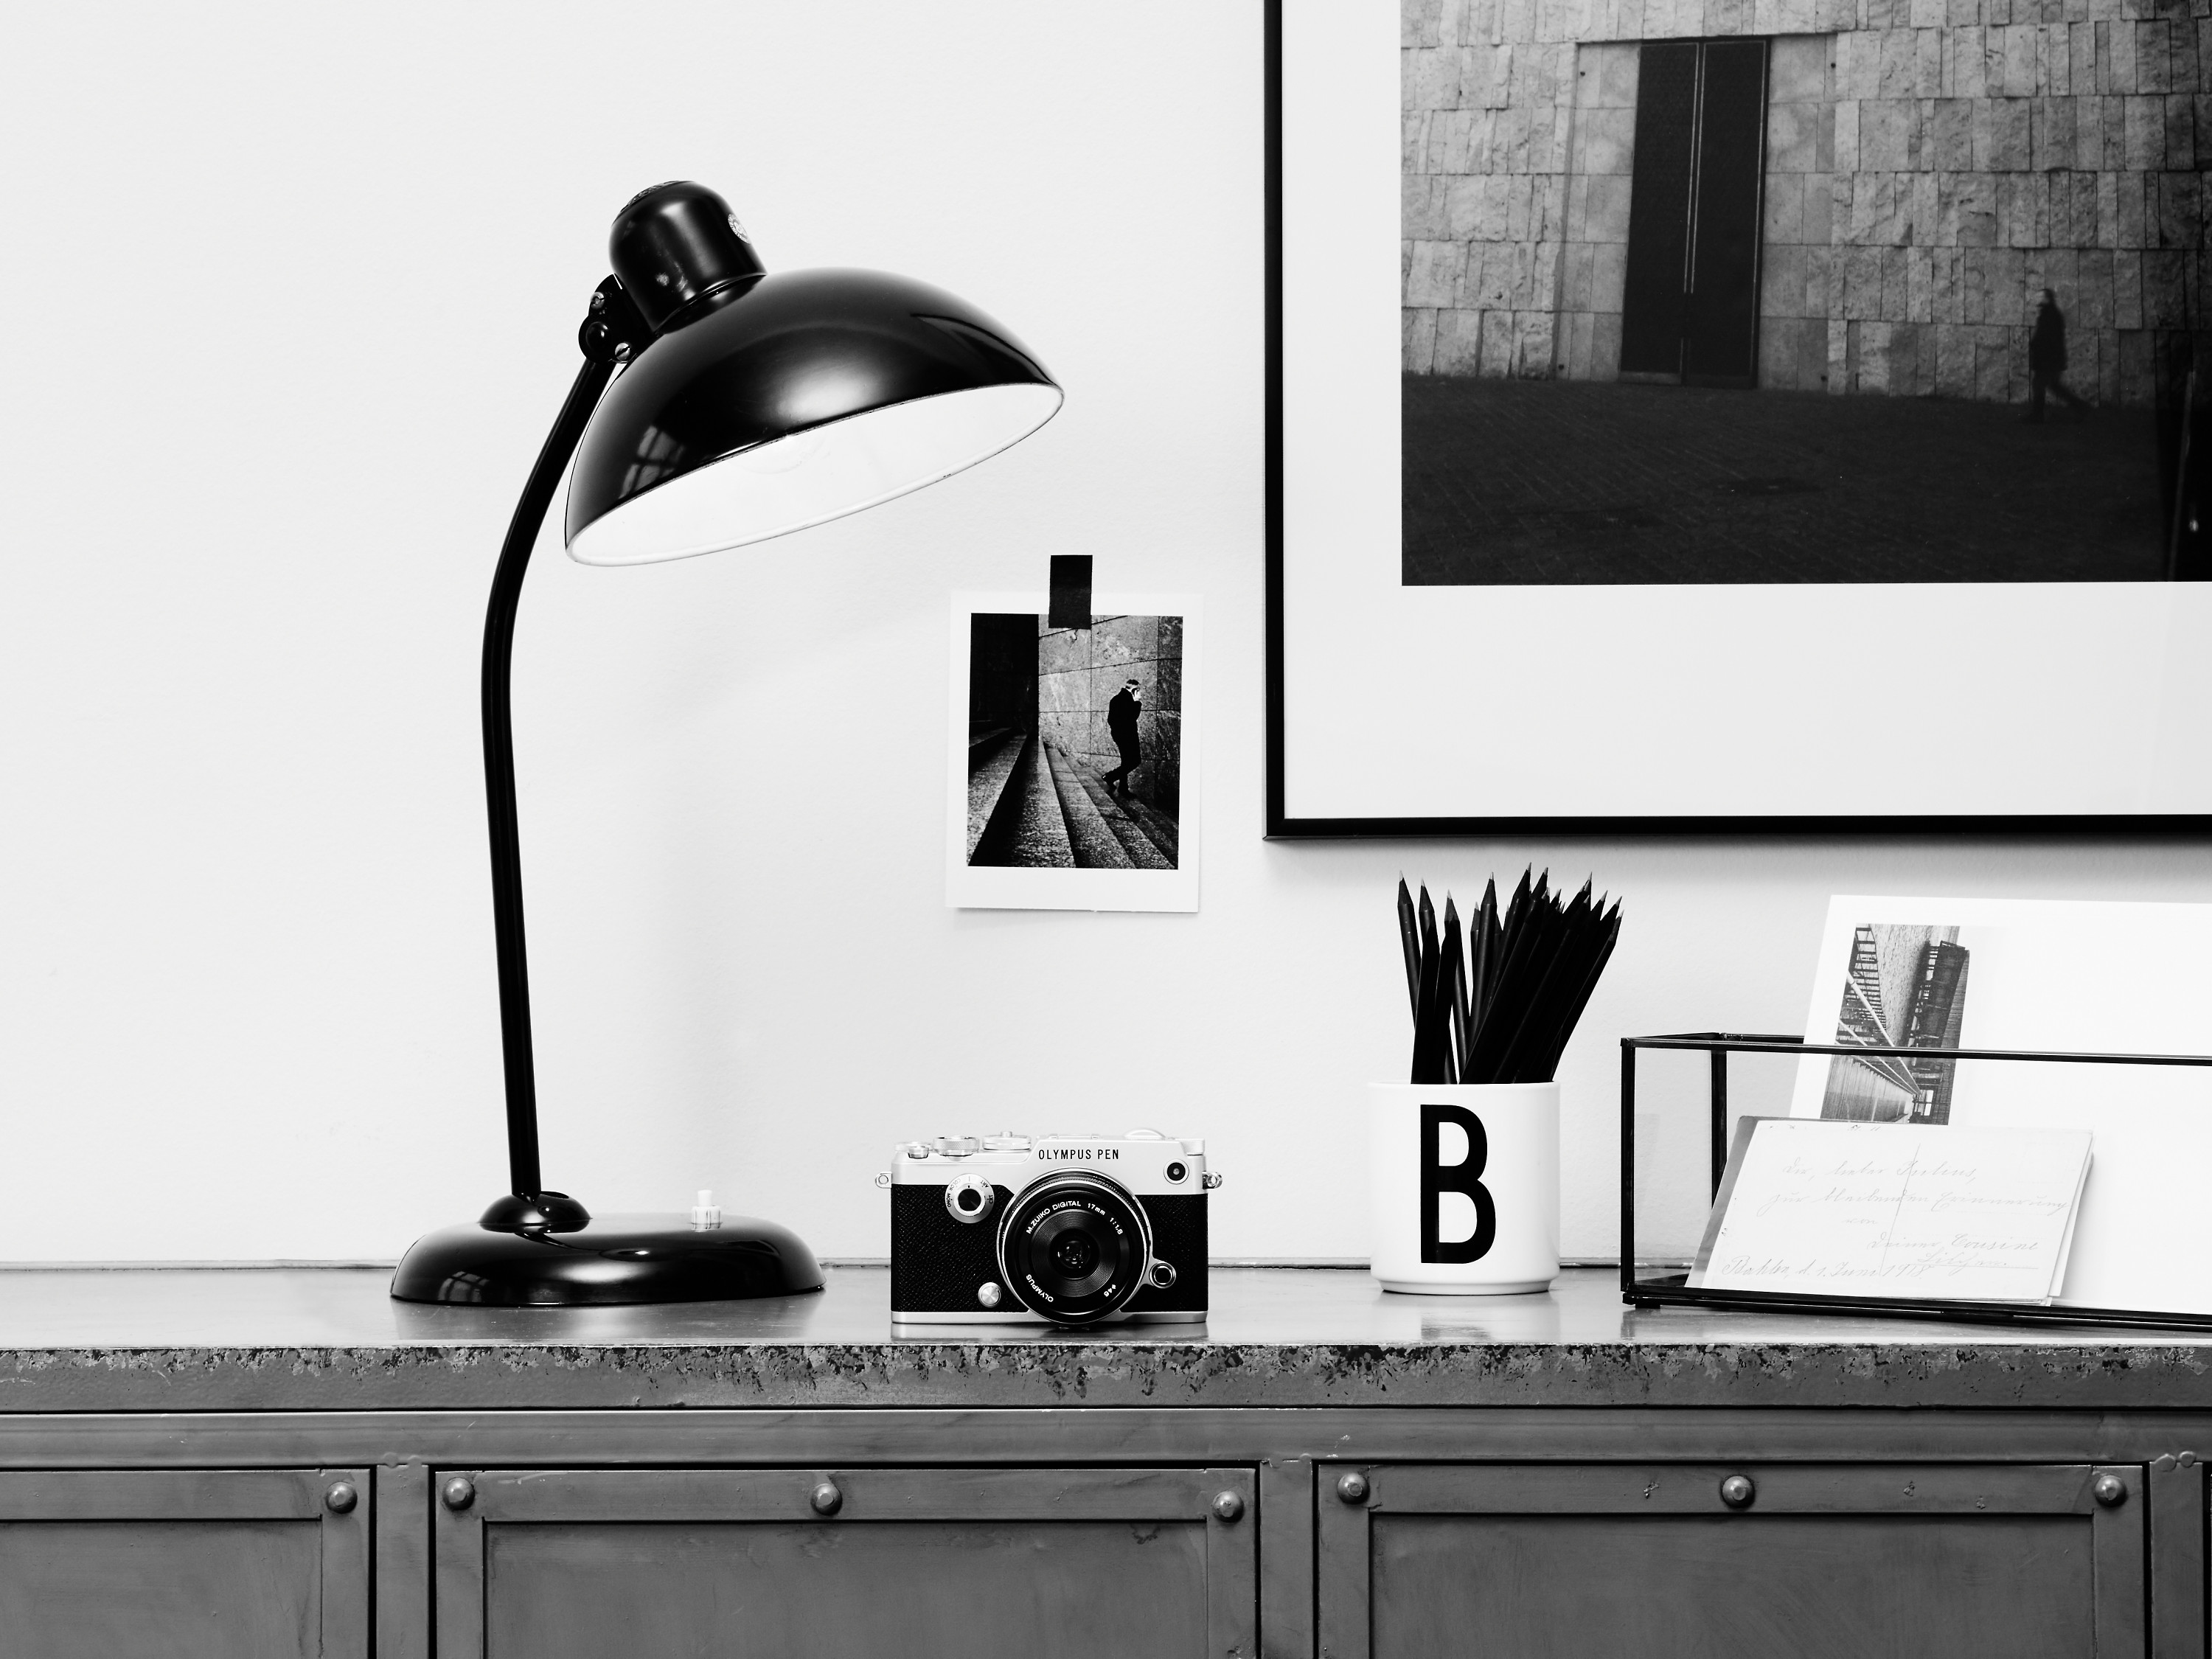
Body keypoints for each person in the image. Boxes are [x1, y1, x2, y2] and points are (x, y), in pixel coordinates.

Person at [2027, 288, 2089, 422]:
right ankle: (2080, 407)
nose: (2036, 299)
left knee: (2041, 385)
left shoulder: (2051, 315)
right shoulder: (2049, 313)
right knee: (2053, 386)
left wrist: (2036, 346)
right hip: (2049, 359)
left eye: (2039, 297)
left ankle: (2038, 416)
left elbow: (2048, 338)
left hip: (2048, 359)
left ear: (2047, 298)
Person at [1102, 678, 1142, 799]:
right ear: (1134, 690)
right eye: (1138, 690)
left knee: (1126, 761)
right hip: (1128, 736)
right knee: (1135, 761)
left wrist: (1117, 731)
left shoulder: (1115, 699)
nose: (1140, 693)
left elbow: (1111, 720)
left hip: (1120, 736)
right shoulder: (1129, 701)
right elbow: (1132, 717)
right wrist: (1137, 702)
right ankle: (1110, 777)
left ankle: (1123, 787)